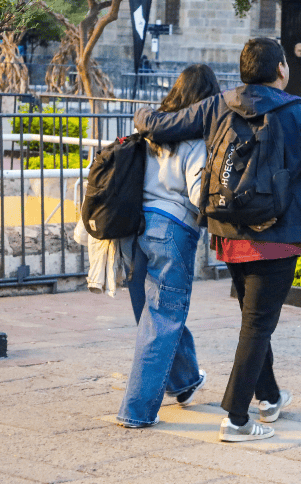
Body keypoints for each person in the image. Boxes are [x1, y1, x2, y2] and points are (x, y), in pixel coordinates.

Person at [133, 37, 301, 442]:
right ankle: (235, 418)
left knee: (255, 319)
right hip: (278, 236)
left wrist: (141, 115)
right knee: (257, 323)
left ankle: (268, 397)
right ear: (282, 70)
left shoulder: (218, 105)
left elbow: (165, 125)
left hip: (228, 234)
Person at [115, 64, 222, 429]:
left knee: (155, 310)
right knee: (163, 316)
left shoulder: (150, 129)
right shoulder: (196, 139)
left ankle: (184, 380)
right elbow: (197, 194)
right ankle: (137, 410)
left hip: (135, 226)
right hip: (172, 229)